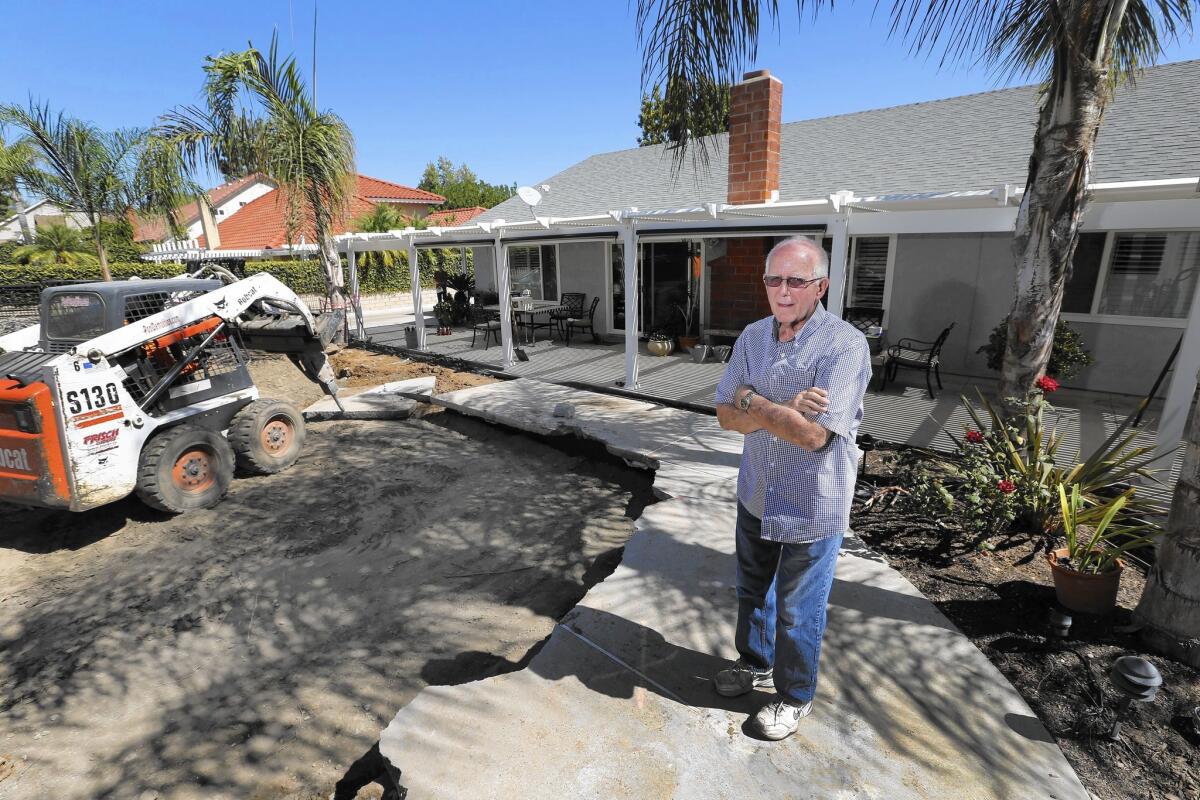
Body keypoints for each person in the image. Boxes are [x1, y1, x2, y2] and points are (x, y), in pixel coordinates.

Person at [713, 236, 872, 740]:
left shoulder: (844, 345)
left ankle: (794, 694)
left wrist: (751, 399)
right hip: (757, 490)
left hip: (812, 504)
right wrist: (781, 405)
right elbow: (723, 415)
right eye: (773, 279)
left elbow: (813, 434)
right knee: (752, 594)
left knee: (799, 612)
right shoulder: (753, 336)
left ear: (820, 285)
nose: (782, 291)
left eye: (796, 280)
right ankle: (755, 664)